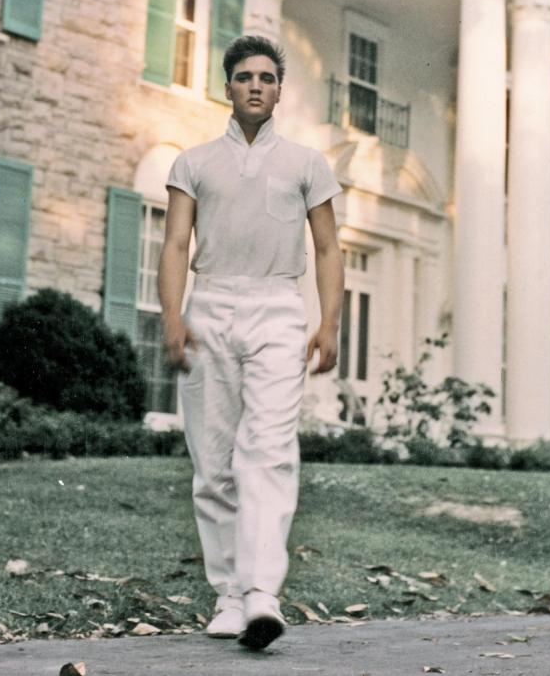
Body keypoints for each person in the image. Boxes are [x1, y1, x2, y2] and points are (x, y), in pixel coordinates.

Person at [158, 34, 344, 650]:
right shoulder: (193, 162)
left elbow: (326, 248)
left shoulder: (307, 164)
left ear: (279, 89)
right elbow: (176, 246)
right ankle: (229, 596)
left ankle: (262, 593)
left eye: (267, 76)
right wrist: (171, 317)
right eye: (244, 77)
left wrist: (329, 323)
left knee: (267, 450)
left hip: (276, 309)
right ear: (229, 87)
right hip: (209, 305)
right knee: (213, 463)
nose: (256, 85)